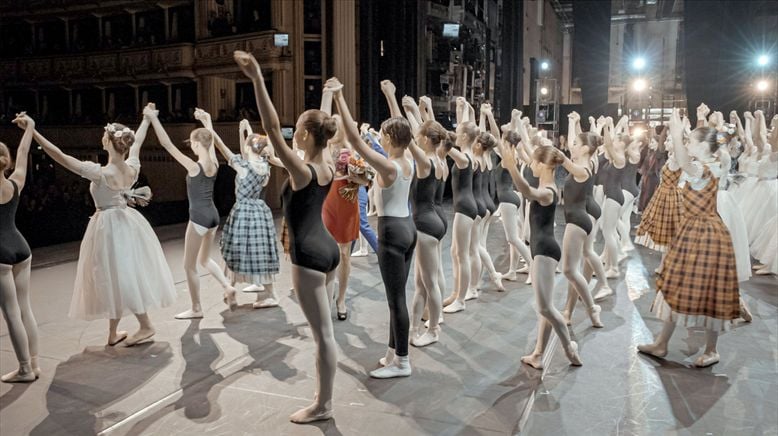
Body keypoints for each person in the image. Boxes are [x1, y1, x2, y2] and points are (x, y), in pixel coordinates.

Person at [236, 50, 339, 423]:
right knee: (324, 331)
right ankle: (322, 394)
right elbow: (291, 146)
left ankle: (323, 405)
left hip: (308, 256)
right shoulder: (324, 164)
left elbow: (273, 127)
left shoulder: (304, 170)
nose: (291, 131)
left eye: (297, 127)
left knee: (323, 336)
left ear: (307, 134)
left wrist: (258, 79)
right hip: (327, 250)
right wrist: (326, 99)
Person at [30, 107, 177, 346]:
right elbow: (138, 141)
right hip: (126, 222)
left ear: (109, 141)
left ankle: (146, 324)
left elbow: (59, 155)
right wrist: (146, 119)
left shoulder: (100, 172)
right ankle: (113, 332)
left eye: (104, 135)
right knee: (116, 275)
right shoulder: (132, 167)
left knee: (117, 275)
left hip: (108, 226)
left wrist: (33, 132)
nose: (102, 138)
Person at [638, 108, 740, 368]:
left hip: (705, 236)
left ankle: (712, 349)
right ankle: (661, 343)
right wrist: (682, 132)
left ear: (704, 146)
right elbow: (679, 165)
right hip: (690, 232)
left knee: (708, 291)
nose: (687, 144)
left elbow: (685, 162)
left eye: (692, 141)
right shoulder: (702, 166)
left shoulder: (708, 168)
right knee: (676, 284)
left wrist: (674, 129)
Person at [333, 78, 417, 378]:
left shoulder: (389, 165)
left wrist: (340, 97)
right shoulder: (408, 160)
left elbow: (355, 141)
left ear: (391, 139)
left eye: (382, 134)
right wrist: (391, 97)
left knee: (396, 301)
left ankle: (403, 362)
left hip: (393, 233)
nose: (378, 137)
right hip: (408, 227)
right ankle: (393, 353)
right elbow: (403, 127)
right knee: (398, 297)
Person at [146, 105, 238, 319]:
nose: (192, 147)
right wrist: (207, 121)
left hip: (198, 218)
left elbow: (167, 144)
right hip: (214, 217)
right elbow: (211, 141)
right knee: (204, 259)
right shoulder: (214, 163)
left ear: (197, 143)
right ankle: (227, 286)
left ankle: (196, 309)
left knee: (189, 266)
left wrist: (153, 119)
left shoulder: (194, 167)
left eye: (193, 143)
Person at [500, 143, 582, 369]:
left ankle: (569, 348)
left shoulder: (548, 191)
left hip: (545, 250)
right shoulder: (547, 184)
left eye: (534, 162)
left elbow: (527, 191)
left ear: (543, 165)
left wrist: (512, 168)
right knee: (544, 309)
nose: (531, 165)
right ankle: (538, 354)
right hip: (541, 249)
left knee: (546, 308)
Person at [194, 110, 281, 309]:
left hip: (244, 211)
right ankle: (255, 290)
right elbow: (249, 149)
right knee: (260, 251)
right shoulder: (264, 166)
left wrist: (208, 122)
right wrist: (246, 130)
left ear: (249, 147)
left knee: (236, 248)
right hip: (259, 211)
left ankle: (232, 287)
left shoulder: (243, 166)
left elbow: (221, 146)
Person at [399, 96, 447, 347]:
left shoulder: (426, 161)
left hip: (426, 224)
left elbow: (406, 139)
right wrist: (418, 111)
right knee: (421, 284)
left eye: (422, 137)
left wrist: (401, 108)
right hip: (437, 219)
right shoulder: (441, 160)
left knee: (428, 283)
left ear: (427, 140)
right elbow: (426, 131)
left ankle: (434, 328)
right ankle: (414, 330)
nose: (418, 138)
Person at [1, 113, 39, 382]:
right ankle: (34, 363)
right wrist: (30, 127)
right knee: (25, 308)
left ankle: (25, 369)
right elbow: (24, 150)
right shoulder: (15, 182)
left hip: (1, 254)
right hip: (21, 246)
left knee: (11, 312)